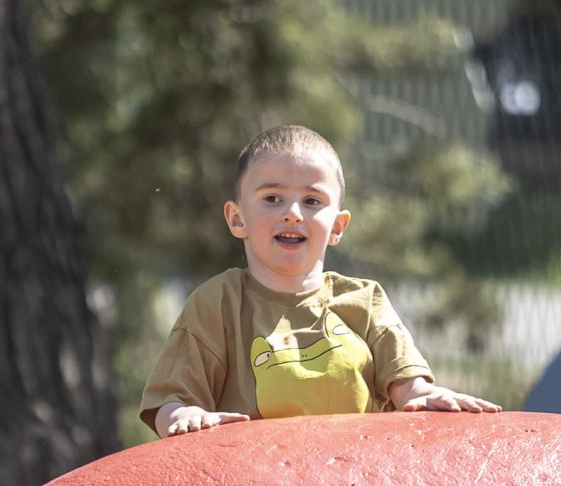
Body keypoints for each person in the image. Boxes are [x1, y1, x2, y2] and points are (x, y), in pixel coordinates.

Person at [140, 125, 501, 438]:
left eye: (312, 200)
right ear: (237, 219)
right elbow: (169, 402)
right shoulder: (218, 303)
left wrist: (421, 395)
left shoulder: (364, 300)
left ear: (338, 226)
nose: (293, 214)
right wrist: (183, 416)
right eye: (272, 198)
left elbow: (408, 387)